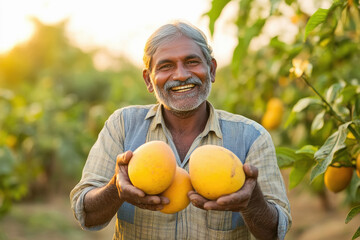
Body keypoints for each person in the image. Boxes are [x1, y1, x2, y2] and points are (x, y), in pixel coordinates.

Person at [70, 20, 291, 240]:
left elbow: (274, 232)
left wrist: (252, 201)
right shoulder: (122, 125)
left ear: (212, 70)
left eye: (192, 62)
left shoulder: (251, 136)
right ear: (148, 80)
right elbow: (86, 214)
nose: (181, 75)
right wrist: (116, 188)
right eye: (166, 66)